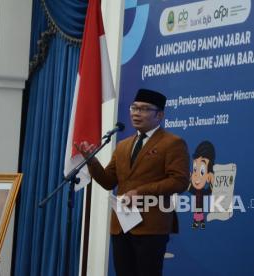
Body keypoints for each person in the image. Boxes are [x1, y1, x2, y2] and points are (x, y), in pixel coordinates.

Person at [76, 88, 190, 276]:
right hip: (121, 225)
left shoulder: (172, 143)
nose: (137, 113)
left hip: (151, 225)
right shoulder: (123, 145)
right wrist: (91, 160)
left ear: (159, 115)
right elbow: (107, 181)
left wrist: (141, 192)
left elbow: (180, 181)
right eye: (134, 108)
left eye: (144, 109)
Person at [188, 141, 215, 230]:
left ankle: (201, 223)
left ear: (208, 176)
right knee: (197, 213)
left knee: (200, 212)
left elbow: (209, 191)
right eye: (195, 169)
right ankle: (197, 223)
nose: (196, 175)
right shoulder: (194, 190)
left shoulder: (204, 191)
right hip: (197, 206)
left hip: (200, 205)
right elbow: (189, 188)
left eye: (202, 172)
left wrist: (212, 183)